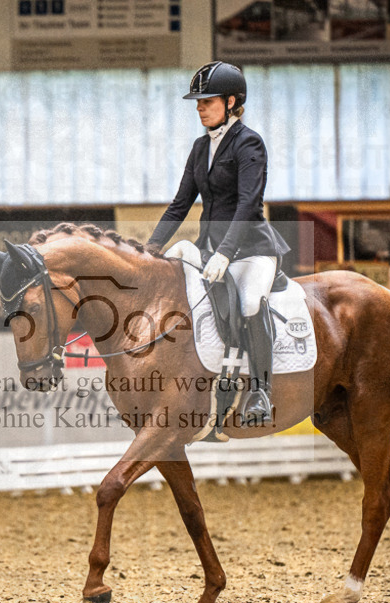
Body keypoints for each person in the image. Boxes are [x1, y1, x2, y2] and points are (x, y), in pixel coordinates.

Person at [146, 61, 290, 424]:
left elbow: (248, 204)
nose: (199, 107)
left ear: (230, 102)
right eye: (197, 102)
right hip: (210, 247)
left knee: (250, 303)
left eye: (206, 101)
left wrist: (226, 252)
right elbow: (180, 204)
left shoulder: (249, 143)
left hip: (252, 250)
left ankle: (260, 390)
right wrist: (148, 251)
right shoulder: (200, 147)